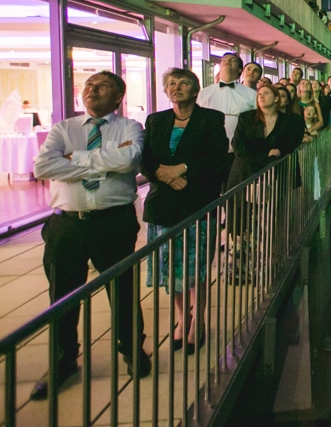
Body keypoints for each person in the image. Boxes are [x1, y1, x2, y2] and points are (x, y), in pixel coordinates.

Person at [31, 71, 150, 400]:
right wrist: (103, 162)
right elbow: (43, 167)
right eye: (88, 85)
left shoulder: (130, 127)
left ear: (117, 97)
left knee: (122, 289)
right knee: (62, 293)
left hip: (113, 222)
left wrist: (73, 159)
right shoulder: (63, 128)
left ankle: (132, 350)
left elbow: (129, 160)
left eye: (102, 86)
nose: (91, 90)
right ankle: (63, 358)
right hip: (66, 225)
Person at [141, 68, 228, 354]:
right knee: (171, 268)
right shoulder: (155, 120)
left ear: (195, 89)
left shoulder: (211, 119)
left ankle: (198, 320)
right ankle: (182, 317)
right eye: (171, 84)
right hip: (163, 204)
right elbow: (146, 159)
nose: (177, 88)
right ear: (166, 91)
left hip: (197, 202)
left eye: (184, 83)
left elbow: (217, 157)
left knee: (196, 266)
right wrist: (165, 175)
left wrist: (184, 169)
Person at [225, 84, 304, 282]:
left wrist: (269, 151)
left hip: (275, 178)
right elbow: (239, 147)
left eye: (266, 93)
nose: (261, 96)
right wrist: (267, 154)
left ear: (277, 98)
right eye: (259, 94)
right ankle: (239, 271)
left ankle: (266, 269)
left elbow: (290, 143)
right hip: (245, 176)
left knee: (268, 223)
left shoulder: (291, 121)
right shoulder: (246, 118)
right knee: (241, 224)